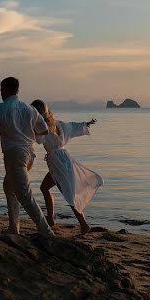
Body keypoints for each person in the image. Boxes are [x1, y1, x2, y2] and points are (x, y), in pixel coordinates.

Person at [0, 77, 54, 237]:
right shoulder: (29, 109)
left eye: (1, 90)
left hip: (15, 156)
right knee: (9, 187)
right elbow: (45, 130)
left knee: (25, 195)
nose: (0, 93)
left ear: (5, 90)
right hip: (29, 155)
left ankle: (46, 232)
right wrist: (32, 134)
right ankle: (14, 230)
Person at [30, 99, 103, 236]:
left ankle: (83, 224)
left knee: (68, 194)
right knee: (49, 188)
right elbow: (72, 127)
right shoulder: (58, 124)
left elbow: (39, 140)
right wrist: (85, 124)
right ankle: (51, 219)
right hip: (62, 160)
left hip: (58, 163)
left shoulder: (42, 127)